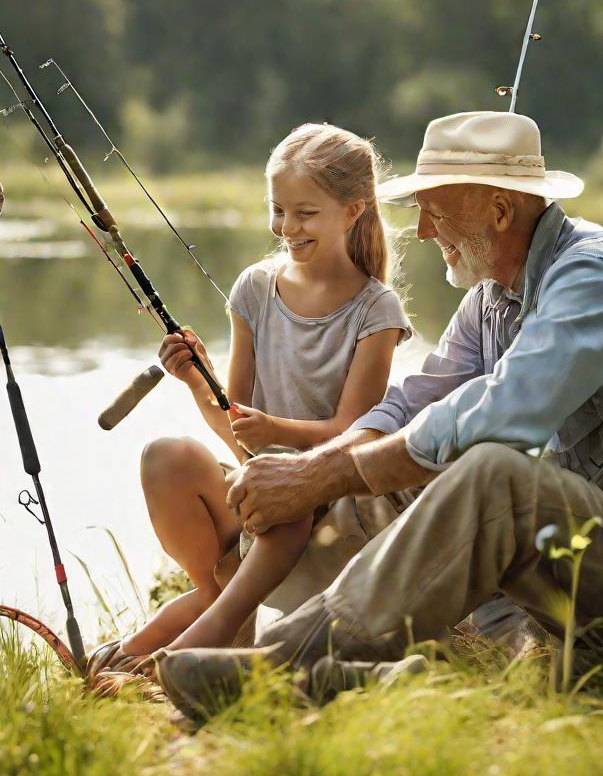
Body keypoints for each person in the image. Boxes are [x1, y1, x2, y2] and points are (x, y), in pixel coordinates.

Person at [152, 110, 603, 718]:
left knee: (491, 475)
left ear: (500, 211)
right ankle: (270, 643)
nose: (422, 231)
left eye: (434, 210)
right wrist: (315, 469)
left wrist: (326, 473)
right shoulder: (492, 299)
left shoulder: (594, 279)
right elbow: (414, 401)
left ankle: (279, 666)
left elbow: (499, 415)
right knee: (360, 487)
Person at [87, 123, 412, 691]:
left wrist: (275, 434)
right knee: (165, 456)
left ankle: (172, 653)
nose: (288, 228)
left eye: (305, 213)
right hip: (263, 498)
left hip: (330, 499)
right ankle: (215, 595)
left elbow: (352, 435)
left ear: (353, 210)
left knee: (280, 474)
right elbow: (239, 431)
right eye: (278, 210)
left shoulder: (377, 311)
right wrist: (196, 381)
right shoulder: (254, 290)